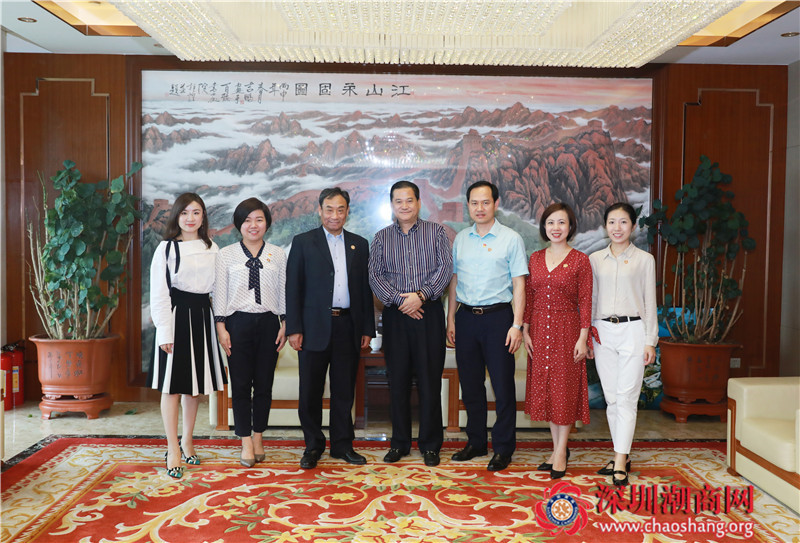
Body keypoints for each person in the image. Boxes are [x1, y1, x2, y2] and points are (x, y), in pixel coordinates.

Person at [285, 187, 375, 469]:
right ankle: (313, 445)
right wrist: (294, 328)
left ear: (347, 212)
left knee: (344, 390)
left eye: (340, 209)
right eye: (329, 209)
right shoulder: (303, 242)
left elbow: (364, 290)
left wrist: (367, 329)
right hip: (312, 328)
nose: (334, 215)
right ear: (320, 210)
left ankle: (342, 445)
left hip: (348, 326)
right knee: (310, 391)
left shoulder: (359, 244)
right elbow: (293, 288)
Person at [368, 180, 453, 467]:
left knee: (429, 381)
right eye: (398, 201)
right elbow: (375, 275)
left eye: (409, 200)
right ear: (392, 205)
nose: (404, 206)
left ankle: (430, 445)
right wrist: (401, 301)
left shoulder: (436, 232)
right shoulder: (381, 237)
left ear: (418, 202)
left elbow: (445, 268)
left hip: (428, 314)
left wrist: (421, 296)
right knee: (398, 381)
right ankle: (400, 443)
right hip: (396, 316)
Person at [446, 181, 528, 472]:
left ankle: (503, 448)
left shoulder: (511, 239)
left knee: (502, 386)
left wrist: (517, 325)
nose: (479, 208)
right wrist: (451, 318)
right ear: (468, 205)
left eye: (485, 202)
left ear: (496, 204)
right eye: (474, 203)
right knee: (471, 386)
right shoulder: (461, 239)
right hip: (466, 318)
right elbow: (454, 281)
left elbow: (519, 285)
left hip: (499, 319)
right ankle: (476, 442)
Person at [149, 193, 227, 479]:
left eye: (196, 212)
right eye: (185, 213)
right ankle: (172, 448)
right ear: (177, 216)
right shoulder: (167, 248)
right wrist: (164, 332)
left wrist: (220, 325)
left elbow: (219, 291)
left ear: (203, 216)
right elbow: (159, 293)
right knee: (172, 387)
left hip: (203, 316)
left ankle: (188, 441)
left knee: (193, 387)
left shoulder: (212, 247)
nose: (190, 218)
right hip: (176, 317)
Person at [214, 198, 286, 467]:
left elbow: (284, 291)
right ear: (238, 224)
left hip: (269, 323)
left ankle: (258, 437)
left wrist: (285, 323)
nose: (253, 225)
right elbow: (219, 293)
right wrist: (221, 327)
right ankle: (244, 439)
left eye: (259, 219)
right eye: (247, 220)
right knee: (241, 384)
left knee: (264, 385)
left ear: (267, 223)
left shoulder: (278, 254)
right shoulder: (226, 254)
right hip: (237, 324)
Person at [589, 202, 657, 486]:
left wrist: (650, 341)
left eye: (623, 222)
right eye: (612, 222)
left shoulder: (645, 260)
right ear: (605, 226)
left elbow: (650, 302)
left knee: (627, 398)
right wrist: (588, 334)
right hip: (602, 332)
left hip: (633, 330)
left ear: (633, 225)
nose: (617, 228)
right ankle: (623, 454)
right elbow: (591, 300)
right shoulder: (594, 259)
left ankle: (619, 460)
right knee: (613, 399)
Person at [523, 202, 592, 479]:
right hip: (540, 330)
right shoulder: (535, 258)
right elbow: (529, 297)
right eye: (551, 222)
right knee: (550, 391)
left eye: (561, 222)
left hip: (568, 330)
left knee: (564, 391)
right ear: (544, 227)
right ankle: (556, 448)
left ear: (570, 226)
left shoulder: (580, 260)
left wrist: (583, 337)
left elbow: (585, 301)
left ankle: (561, 451)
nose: (556, 228)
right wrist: (525, 329)